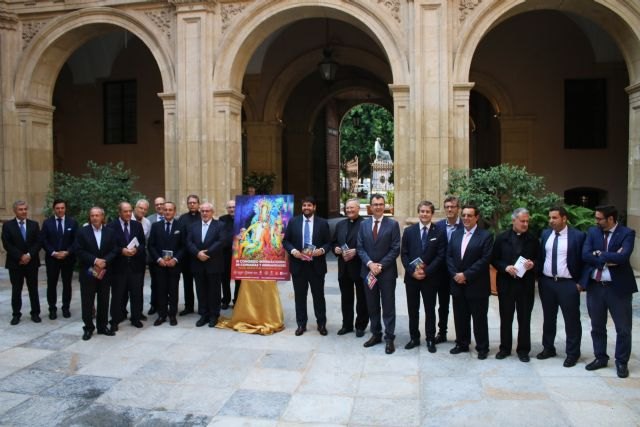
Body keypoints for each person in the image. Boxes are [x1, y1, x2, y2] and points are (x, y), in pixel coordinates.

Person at [582, 205, 637, 378]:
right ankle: (600, 357)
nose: (596, 221)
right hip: (596, 287)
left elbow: (623, 257)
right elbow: (585, 254)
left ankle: (621, 362)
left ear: (611, 219)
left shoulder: (627, 233)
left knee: (623, 328)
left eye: (599, 218)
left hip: (618, 289)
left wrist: (600, 254)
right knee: (597, 326)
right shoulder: (593, 232)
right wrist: (608, 257)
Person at [537, 206, 588, 367]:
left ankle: (572, 353)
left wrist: (581, 283)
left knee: (571, 320)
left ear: (564, 218)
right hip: (547, 283)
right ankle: (548, 348)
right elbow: (541, 256)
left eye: (554, 218)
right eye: (550, 218)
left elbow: (586, 261)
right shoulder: (546, 234)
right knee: (548, 318)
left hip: (568, 284)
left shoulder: (578, 236)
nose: (551, 221)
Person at [491, 208, 539, 362]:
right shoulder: (501, 238)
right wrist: (505, 267)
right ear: (514, 221)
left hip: (525, 285)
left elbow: (540, 259)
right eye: (522, 221)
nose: (525, 224)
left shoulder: (533, 239)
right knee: (506, 317)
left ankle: (523, 350)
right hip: (506, 284)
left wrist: (533, 264)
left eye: (527, 221)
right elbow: (493, 259)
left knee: (525, 318)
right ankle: (504, 348)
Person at [446, 203, 493, 359]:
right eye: (464, 215)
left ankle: (482, 347)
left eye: (469, 215)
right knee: (460, 316)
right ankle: (462, 343)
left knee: (479, 318)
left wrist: (465, 275)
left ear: (476, 217)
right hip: (457, 284)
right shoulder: (456, 234)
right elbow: (449, 256)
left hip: (476, 285)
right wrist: (455, 274)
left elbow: (484, 260)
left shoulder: (485, 236)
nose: (466, 218)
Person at [357, 194, 401, 354]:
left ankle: (389, 338)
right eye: (375, 204)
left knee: (388, 306)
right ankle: (376, 334)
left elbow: (396, 248)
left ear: (385, 206)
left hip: (387, 273)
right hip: (368, 272)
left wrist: (380, 265)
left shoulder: (393, 225)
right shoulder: (363, 225)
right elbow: (360, 247)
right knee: (372, 305)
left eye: (381, 204)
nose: (378, 207)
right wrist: (370, 264)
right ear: (370, 207)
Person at [401, 200, 446, 352]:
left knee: (430, 310)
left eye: (427, 212)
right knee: (413, 309)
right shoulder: (409, 231)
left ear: (432, 214)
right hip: (412, 278)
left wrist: (426, 271)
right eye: (422, 211)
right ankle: (414, 337)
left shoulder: (439, 231)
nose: (424, 214)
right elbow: (404, 254)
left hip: (430, 278)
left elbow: (440, 256)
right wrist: (412, 271)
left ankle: (430, 339)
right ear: (418, 212)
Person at [283, 196, 331, 336]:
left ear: (314, 207)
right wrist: (293, 251)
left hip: (316, 266)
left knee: (319, 296)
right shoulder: (293, 222)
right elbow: (286, 241)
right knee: (299, 297)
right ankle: (301, 324)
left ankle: (321, 324)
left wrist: (321, 251)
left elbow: (328, 243)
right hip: (299, 266)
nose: (306, 208)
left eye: (309, 205)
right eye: (304, 205)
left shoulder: (322, 223)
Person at [74, 207, 118, 340]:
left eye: (97, 215)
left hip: (105, 271)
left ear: (102, 217)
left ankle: (102, 326)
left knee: (104, 300)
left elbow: (115, 249)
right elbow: (79, 250)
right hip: (88, 272)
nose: (94, 218)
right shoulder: (82, 232)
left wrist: (105, 260)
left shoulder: (110, 232)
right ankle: (88, 327)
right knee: (87, 301)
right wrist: (94, 260)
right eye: (92, 215)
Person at [107, 202, 147, 330]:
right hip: (119, 267)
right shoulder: (111, 226)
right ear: (119, 212)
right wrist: (121, 251)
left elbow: (142, 244)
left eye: (130, 211)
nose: (128, 214)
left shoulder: (137, 225)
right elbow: (110, 246)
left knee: (136, 294)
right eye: (125, 211)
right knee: (118, 295)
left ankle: (135, 318)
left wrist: (137, 250)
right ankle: (115, 320)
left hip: (135, 266)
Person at [332, 198, 368, 337]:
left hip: (359, 267)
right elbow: (334, 242)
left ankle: (361, 325)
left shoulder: (365, 224)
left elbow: (369, 245)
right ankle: (346, 325)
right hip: (344, 268)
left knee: (362, 299)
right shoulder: (340, 224)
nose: (349, 210)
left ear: (358, 209)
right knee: (346, 298)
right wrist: (336, 249)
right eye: (347, 208)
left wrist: (356, 252)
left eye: (352, 208)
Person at [2, 200, 41, 325]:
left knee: (33, 289)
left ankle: (35, 313)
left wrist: (29, 255)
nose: (24, 211)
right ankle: (16, 314)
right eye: (20, 209)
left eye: (25, 209)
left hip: (32, 262)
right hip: (15, 263)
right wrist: (20, 256)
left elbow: (38, 242)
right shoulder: (8, 226)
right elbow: (7, 244)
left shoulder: (34, 225)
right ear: (15, 211)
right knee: (16, 289)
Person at [186, 202, 225, 327]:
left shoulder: (220, 225)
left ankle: (214, 315)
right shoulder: (193, 226)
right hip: (198, 264)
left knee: (214, 291)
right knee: (201, 290)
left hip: (213, 263)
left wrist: (206, 253)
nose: (204, 213)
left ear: (212, 212)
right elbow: (189, 242)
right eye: (202, 211)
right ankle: (204, 314)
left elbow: (221, 241)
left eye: (207, 211)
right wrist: (197, 253)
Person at [40, 199, 78, 319]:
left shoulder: (72, 222)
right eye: (57, 208)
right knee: (52, 284)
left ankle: (66, 308)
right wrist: (53, 253)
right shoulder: (47, 223)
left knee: (67, 284)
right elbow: (43, 240)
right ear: (54, 209)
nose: (60, 210)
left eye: (62, 208)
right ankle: (52, 309)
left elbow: (76, 240)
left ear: (65, 209)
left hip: (67, 258)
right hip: (52, 259)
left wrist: (67, 252)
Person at [149, 201, 185, 326]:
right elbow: (151, 246)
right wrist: (159, 259)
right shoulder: (155, 226)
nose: (168, 212)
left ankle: (172, 315)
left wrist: (175, 259)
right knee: (161, 291)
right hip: (160, 265)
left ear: (174, 212)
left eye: (170, 210)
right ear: (162, 211)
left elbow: (183, 246)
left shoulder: (180, 226)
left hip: (174, 266)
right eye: (165, 210)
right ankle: (161, 315)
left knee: (173, 291)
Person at [434, 195, 462, 343]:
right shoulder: (438, 226)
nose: (450, 209)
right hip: (442, 272)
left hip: (459, 273)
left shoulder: (465, 225)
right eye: (447, 207)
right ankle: (442, 333)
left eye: (453, 207)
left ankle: (461, 336)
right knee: (443, 305)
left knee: (460, 306)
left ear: (458, 209)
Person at [177, 194, 201, 315]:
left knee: (200, 284)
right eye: (190, 203)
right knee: (187, 283)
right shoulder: (182, 218)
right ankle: (189, 307)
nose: (192, 205)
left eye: (194, 202)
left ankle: (202, 307)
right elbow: (180, 237)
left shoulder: (203, 216)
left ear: (198, 204)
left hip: (199, 257)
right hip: (186, 257)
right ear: (187, 204)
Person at [146, 196, 166, 315]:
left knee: (168, 284)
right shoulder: (149, 219)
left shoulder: (175, 218)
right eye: (157, 204)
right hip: (155, 258)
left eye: (161, 204)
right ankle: (154, 305)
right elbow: (148, 240)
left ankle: (166, 305)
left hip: (170, 259)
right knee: (155, 283)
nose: (159, 206)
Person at [132, 199, 151, 321]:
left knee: (138, 287)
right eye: (140, 208)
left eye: (145, 209)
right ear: (135, 208)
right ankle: (122, 311)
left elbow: (145, 241)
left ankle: (137, 313)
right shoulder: (127, 219)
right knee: (122, 288)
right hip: (124, 258)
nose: (142, 211)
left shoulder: (147, 223)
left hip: (139, 259)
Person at [219, 199, 240, 308]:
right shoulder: (222, 219)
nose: (232, 209)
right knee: (225, 278)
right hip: (226, 254)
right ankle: (226, 299)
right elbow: (222, 237)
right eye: (229, 207)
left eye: (234, 207)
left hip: (239, 254)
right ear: (227, 209)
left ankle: (237, 300)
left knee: (239, 279)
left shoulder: (242, 219)